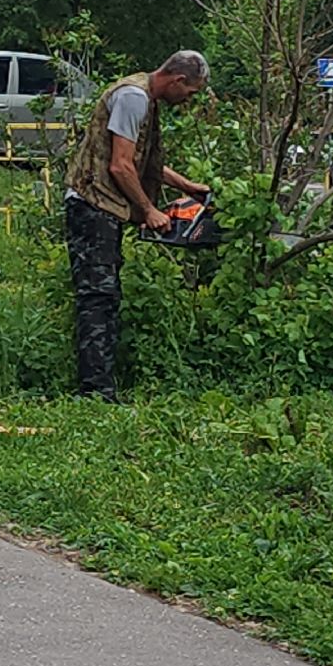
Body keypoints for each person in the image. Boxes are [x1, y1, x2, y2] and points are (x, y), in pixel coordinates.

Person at [64, 50, 211, 402]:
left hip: (103, 207)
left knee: (106, 296)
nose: (188, 100)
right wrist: (148, 210)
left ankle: (100, 386)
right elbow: (120, 165)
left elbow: (140, 160)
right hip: (92, 204)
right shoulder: (133, 98)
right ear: (177, 80)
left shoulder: (144, 96)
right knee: (97, 298)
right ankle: (95, 392)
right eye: (190, 92)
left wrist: (186, 186)